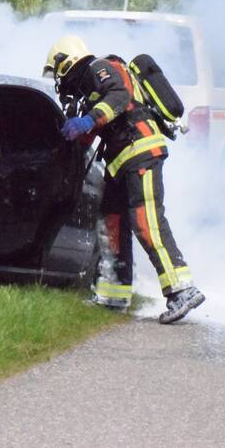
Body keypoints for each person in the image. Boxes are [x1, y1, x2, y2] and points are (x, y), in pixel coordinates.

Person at [44, 35, 205, 324]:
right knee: (111, 223)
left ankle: (182, 290)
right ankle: (112, 295)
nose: (60, 83)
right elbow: (95, 126)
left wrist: (88, 121)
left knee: (147, 221)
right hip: (120, 163)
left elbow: (118, 98)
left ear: (66, 64)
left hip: (139, 152)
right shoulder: (88, 90)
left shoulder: (99, 68)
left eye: (58, 74)